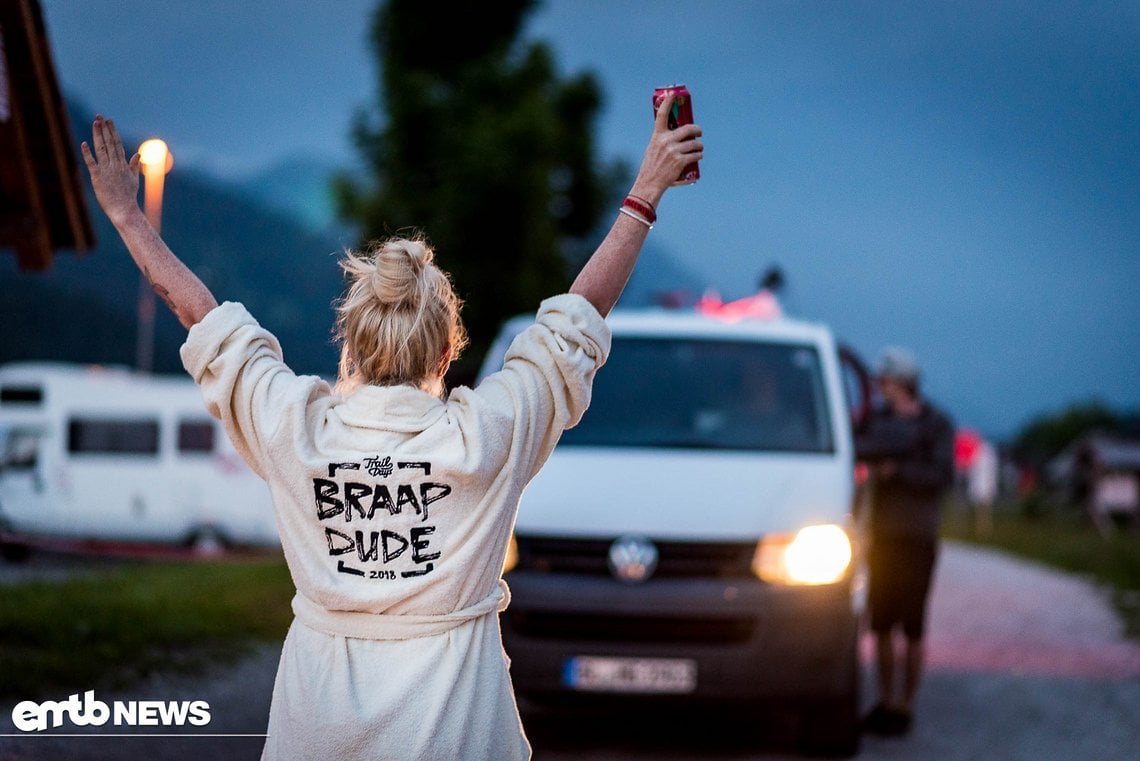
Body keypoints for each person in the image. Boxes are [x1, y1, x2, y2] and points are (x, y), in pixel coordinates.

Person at [81, 99, 701, 760]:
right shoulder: (489, 433)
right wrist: (645, 190)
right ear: (443, 354)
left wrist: (126, 214)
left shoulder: (293, 424)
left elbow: (198, 313)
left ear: (349, 341)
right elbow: (577, 319)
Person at [853, 346, 954, 737]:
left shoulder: (936, 424)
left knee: (912, 627)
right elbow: (858, 448)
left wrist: (898, 470)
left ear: (903, 382)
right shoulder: (875, 421)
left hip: (917, 537)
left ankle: (905, 705)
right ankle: (885, 700)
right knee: (880, 625)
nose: (880, 388)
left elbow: (942, 476)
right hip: (882, 537)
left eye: (886, 381)